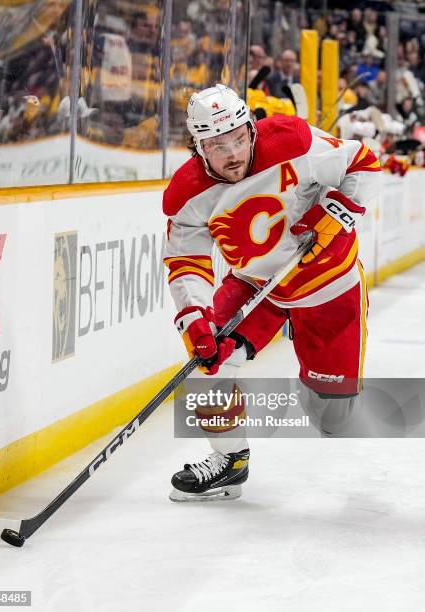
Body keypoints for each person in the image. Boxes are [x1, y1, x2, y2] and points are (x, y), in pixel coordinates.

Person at [163, 84, 381, 502]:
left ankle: (317, 379)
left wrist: (337, 209)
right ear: (197, 146)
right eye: (216, 144)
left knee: (331, 418)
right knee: (210, 360)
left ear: (251, 129)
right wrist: (194, 318)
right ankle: (231, 461)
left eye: (239, 139)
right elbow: (185, 262)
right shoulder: (187, 195)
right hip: (257, 286)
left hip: (328, 288)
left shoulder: (292, 140)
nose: (232, 154)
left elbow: (363, 163)